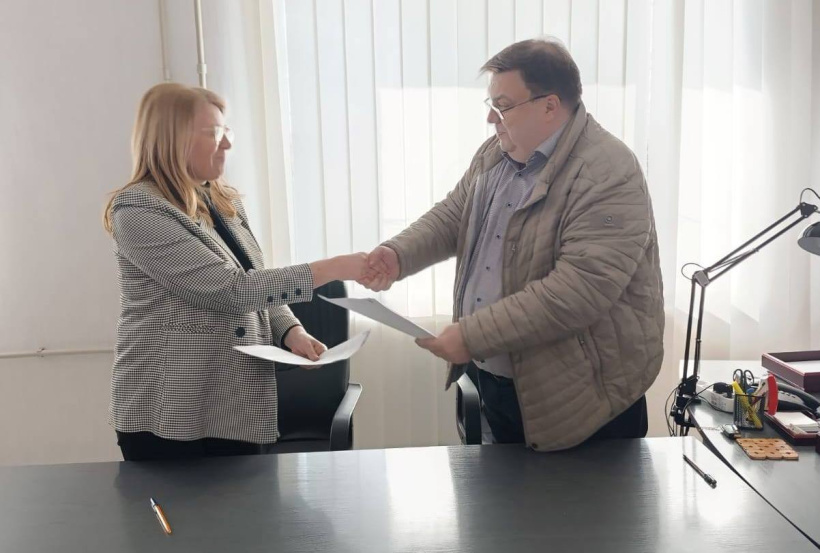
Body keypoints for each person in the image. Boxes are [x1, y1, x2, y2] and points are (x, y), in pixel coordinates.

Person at [360, 39, 664, 451]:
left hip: (583, 400)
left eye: (502, 106)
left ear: (549, 106)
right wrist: (398, 254)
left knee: (579, 498)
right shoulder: (497, 152)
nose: (491, 118)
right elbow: (455, 214)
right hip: (501, 385)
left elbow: (578, 291)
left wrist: (472, 336)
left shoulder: (609, 171)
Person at [103, 83, 367, 461]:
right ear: (172, 138)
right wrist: (335, 268)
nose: (226, 143)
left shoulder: (222, 200)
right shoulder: (138, 210)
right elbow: (231, 290)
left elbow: (255, 276)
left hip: (234, 404)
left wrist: (290, 330)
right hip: (171, 408)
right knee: (179, 504)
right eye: (213, 132)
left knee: (245, 501)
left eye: (227, 131)